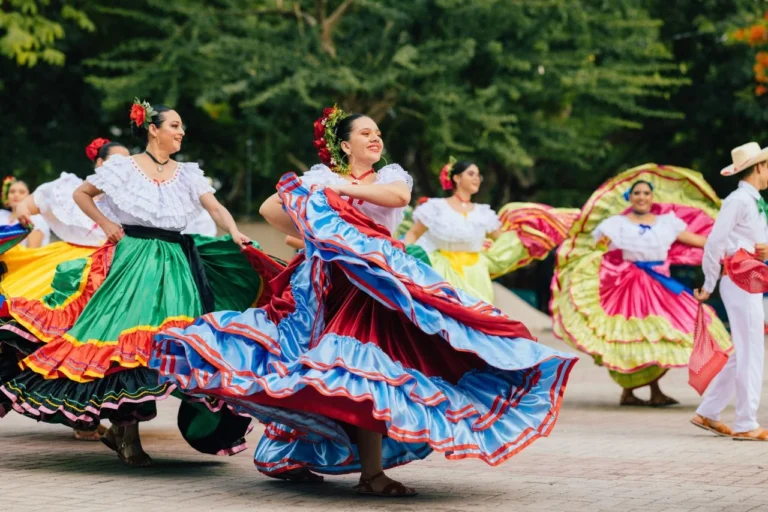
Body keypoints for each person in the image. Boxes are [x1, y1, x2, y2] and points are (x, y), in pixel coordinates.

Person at [150, 105, 578, 496]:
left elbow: (398, 199)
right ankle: (309, 455)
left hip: (375, 287)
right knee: (314, 369)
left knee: (368, 371)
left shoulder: (389, 176)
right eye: (366, 133)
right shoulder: (321, 177)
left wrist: (338, 192)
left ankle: (371, 472)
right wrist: (318, 225)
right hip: (327, 288)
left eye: (378, 134)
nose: (376, 139)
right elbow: (270, 209)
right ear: (345, 145)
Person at [0, 99, 263, 466]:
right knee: (128, 344)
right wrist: (107, 224)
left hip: (175, 264)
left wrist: (234, 231)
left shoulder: (187, 173)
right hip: (133, 259)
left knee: (164, 345)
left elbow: (214, 207)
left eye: (181, 126)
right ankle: (129, 437)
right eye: (174, 125)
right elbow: (81, 194)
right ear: (153, 129)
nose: (181, 132)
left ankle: (123, 433)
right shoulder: (125, 168)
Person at [551, 164, 731, 406]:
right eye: (637, 193)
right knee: (633, 335)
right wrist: (595, 257)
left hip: (660, 285)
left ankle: (651, 391)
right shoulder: (616, 224)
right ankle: (632, 391)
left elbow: (700, 241)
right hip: (628, 285)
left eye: (646, 193)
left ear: (652, 197)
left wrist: (732, 246)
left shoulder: (667, 223)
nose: (642, 197)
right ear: (630, 197)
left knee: (667, 333)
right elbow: (597, 249)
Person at [9, 138, 130, 442]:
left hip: (114, 269)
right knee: (66, 341)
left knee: (106, 347)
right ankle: (81, 416)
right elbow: (27, 205)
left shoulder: (130, 195)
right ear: (99, 164)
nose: (124, 169)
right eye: (116, 162)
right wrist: (22, 214)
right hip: (70, 271)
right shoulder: (65, 188)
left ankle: (99, 415)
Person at [403, 162, 578, 304]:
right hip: (443, 270)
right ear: (456, 178)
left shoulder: (483, 213)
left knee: (478, 317)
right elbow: (413, 234)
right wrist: (405, 254)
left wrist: (530, 233)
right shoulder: (436, 207)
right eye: (471, 174)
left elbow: (502, 239)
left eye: (478, 175)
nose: (477, 178)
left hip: (476, 273)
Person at [692, 142, 768, 440]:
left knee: (745, 350)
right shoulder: (738, 200)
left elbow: (751, 242)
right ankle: (746, 423)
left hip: (749, 280)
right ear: (759, 167)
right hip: (738, 279)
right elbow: (715, 243)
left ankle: (708, 411)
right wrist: (709, 283)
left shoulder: (753, 201)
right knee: (751, 351)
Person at [0, 177, 49, 248]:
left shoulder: (35, 219)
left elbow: (32, 250)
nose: (16, 195)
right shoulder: (1, 215)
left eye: (21, 192)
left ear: (29, 197)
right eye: (12, 192)